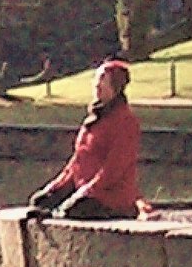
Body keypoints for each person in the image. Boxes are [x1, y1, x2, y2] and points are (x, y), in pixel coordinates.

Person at [27, 59, 142, 221]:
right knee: (39, 201)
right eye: (96, 79)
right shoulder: (95, 118)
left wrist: (89, 190)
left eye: (103, 79)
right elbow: (77, 161)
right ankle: (53, 211)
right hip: (83, 187)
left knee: (74, 210)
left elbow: (115, 168)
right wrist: (55, 186)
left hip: (110, 194)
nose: (96, 84)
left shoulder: (125, 121)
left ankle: (56, 214)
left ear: (116, 87)